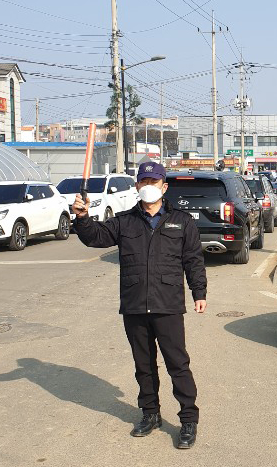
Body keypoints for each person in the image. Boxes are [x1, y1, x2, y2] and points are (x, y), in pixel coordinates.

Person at [71, 162, 207, 449]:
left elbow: (193, 259)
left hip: (168, 305)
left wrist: (199, 292)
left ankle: (188, 420)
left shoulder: (182, 221)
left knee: (177, 364)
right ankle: (150, 414)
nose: (148, 186)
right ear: (136, 186)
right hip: (134, 305)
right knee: (143, 365)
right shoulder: (125, 221)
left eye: (153, 182)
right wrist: (82, 218)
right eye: (143, 181)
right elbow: (95, 237)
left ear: (164, 187)